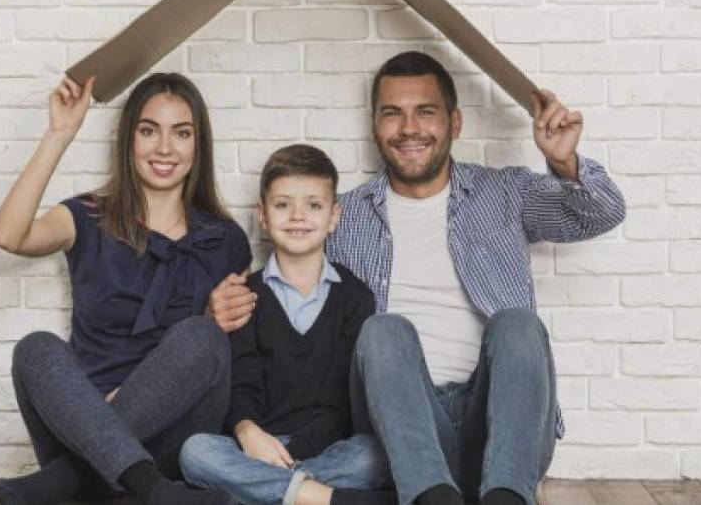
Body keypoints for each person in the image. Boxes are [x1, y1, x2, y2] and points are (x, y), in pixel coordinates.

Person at [209, 51, 626, 505]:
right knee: (383, 329)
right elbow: (288, 266)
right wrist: (223, 304)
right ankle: (431, 498)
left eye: (425, 112)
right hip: (402, 431)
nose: (409, 128)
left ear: (455, 123)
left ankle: (507, 497)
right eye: (393, 113)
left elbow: (602, 214)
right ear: (375, 127)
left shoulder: (505, 193)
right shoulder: (343, 217)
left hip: (501, 426)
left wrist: (566, 164)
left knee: (517, 324)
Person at [0, 72, 251, 505]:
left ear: (197, 144)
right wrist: (60, 134)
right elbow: (9, 236)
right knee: (35, 348)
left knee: (203, 337)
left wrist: (211, 323)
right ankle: (149, 492)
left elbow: (230, 360)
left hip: (171, 439)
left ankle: (70, 479)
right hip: (81, 427)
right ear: (128, 139)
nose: (164, 148)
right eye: (149, 131)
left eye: (181, 133)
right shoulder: (86, 216)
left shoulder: (225, 239)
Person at [180, 144, 394, 505]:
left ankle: (272, 493)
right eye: (282, 205)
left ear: (334, 216)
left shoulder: (356, 297)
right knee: (195, 451)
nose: (298, 216)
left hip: (329, 447)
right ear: (262, 216)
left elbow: (341, 399)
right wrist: (247, 432)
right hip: (259, 446)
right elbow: (242, 381)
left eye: (314, 205)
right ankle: (318, 497)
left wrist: (295, 455)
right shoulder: (244, 293)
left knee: (377, 454)